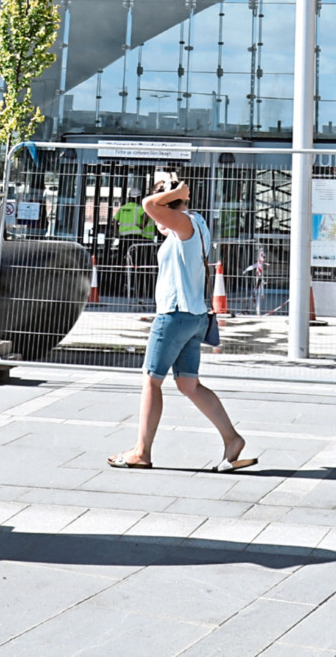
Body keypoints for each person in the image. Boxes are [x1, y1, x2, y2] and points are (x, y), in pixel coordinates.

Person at [108, 170, 253, 472]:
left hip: (175, 314)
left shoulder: (184, 223)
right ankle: (231, 438)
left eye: (162, 209)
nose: (154, 221)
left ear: (170, 205)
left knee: (151, 380)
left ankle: (142, 451)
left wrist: (177, 191)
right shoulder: (195, 224)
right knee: (189, 384)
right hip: (195, 315)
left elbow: (149, 204)